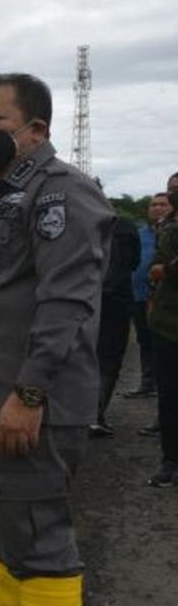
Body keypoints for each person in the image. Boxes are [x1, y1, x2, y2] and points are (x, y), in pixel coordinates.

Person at [0, 73, 113, 605]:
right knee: (7, 539)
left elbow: (67, 301)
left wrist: (30, 393)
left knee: (38, 542)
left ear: (36, 129)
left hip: (26, 406)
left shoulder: (61, 192)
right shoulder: (0, 199)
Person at [89, 215, 141, 436]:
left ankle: (79, 413)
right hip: (118, 297)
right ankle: (96, 416)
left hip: (85, 296)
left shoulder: (77, 221)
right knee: (109, 357)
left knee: (81, 354)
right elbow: (134, 262)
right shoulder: (126, 226)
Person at [122, 192, 172, 400]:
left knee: (165, 345)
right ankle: (147, 382)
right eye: (153, 204)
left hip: (164, 302)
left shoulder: (171, 234)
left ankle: (164, 390)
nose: (157, 208)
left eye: (163, 204)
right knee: (144, 341)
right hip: (139, 297)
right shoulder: (139, 233)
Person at [146, 188, 178, 486]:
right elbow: (153, 269)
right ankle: (170, 460)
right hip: (167, 322)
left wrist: (166, 269)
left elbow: (161, 268)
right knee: (168, 395)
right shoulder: (167, 230)